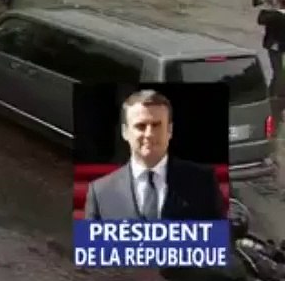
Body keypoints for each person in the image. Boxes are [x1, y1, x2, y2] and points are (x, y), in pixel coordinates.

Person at [83, 89, 224, 221]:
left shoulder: (202, 182)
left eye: (156, 125)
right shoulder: (100, 192)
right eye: (141, 126)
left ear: (170, 130)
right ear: (125, 132)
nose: (149, 134)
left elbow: (220, 242)